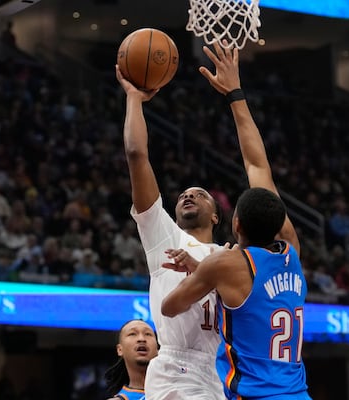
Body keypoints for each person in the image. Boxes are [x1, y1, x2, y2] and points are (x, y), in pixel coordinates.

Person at [115, 39, 267, 399]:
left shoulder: (229, 256)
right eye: (183, 193)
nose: (187, 195)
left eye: (199, 193)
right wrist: (134, 99)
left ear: (216, 215)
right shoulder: (163, 236)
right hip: (173, 368)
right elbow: (137, 155)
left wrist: (204, 266)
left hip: (212, 372)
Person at [160, 44, 310, 399]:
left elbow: (170, 307)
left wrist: (203, 269)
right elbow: (258, 168)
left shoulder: (225, 262)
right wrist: (236, 94)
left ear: (235, 223)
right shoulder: (292, 249)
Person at [104, 320, 159, 400]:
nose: (141, 339)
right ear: (120, 350)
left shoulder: (178, 390)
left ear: (158, 349)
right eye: (132, 334)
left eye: (148, 334)